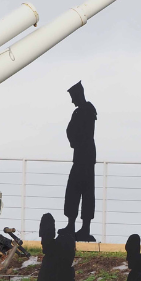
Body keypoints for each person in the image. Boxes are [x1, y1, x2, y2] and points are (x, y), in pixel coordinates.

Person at [62, 82, 98, 242]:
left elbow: (73, 131)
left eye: (73, 97)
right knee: (77, 191)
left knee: (81, 191)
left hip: (84, 157)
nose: (72, 101)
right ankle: (75, 225)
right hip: (84, 156)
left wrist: (75, 141)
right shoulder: (85, 111)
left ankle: (82, 227)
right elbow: (71, 131)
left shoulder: (85, 112)